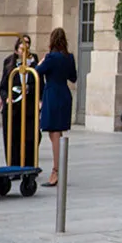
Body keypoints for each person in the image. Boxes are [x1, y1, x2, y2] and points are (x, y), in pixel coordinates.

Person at [34, 28, 77, 187]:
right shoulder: (69, 57)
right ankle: (59, 168)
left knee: (54, 133)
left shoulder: (51, 57)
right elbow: (73, 77)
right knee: (58, 132)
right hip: (64, 93)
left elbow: (37, 72)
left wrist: (41, 62)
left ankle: (56, 170)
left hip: (52, 94)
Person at [0, 34, 40, 167]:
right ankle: (13, 166)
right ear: (16, 50)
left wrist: (38, 97)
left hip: (28, 105)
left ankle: (28, 167)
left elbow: (39, 83)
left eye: (27, 46)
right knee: (12, 138)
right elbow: (3, 86)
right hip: (13, 105)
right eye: (22, 47)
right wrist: (4, 98)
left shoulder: (34, 62)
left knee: (31, 138)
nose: (25, 50)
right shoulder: (9, 62)